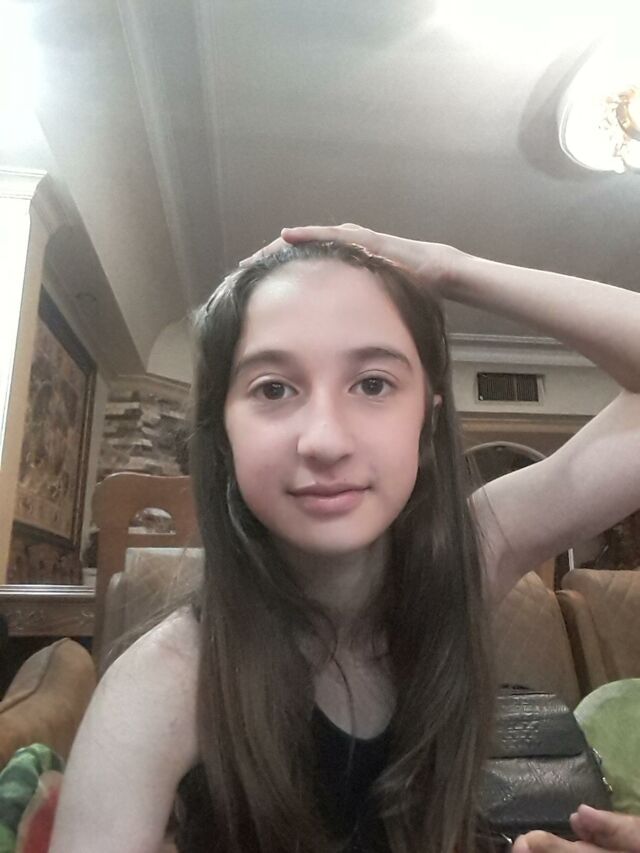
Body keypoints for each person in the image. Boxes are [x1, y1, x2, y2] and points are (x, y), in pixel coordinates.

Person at [49, 225, 640, 853]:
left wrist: (451, 268)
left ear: (428, 416)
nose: (325, 440)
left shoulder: (466, 562)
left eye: (373, 384)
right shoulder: (164, 685)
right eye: (274, 388)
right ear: (222, 432)